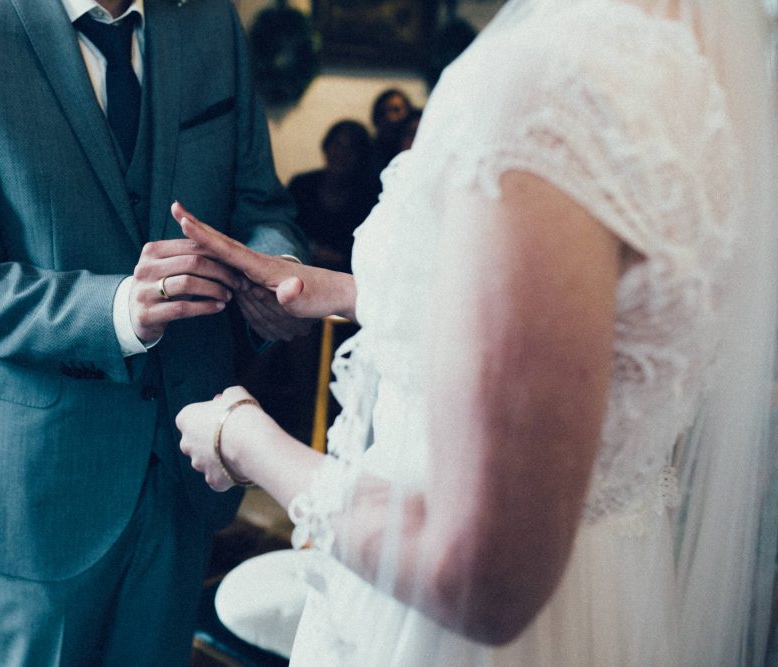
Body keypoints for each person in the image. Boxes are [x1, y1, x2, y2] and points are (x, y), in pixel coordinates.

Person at [173, 0, 778, 664]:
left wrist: (246, 440)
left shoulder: (545, 85)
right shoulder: (691, 76)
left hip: (450, 626)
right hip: (606, 588)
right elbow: (582, 319)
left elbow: (478, 574)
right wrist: (345, 291)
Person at [0, 0, 308, 663]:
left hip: (187, 465)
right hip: (41, 480)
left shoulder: (209, 17)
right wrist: (115, 311)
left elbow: (261, 205)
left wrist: (280, 274)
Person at [288, 119, 379, 273]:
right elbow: (286, 229)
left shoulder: (368, 195)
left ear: (361, 156)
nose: (342, 154)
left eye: (352, 148)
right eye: (338, 145)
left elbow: (371, 248)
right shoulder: (301, 185)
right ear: (326, 147)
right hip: (300, 268)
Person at [370, 88, 414, 176]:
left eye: (396, 110)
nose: (390, 117)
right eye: (384, 112)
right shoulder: (370, 153)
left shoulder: (416, 148)